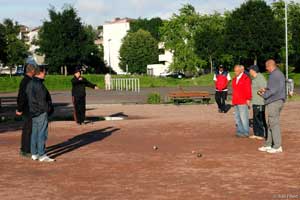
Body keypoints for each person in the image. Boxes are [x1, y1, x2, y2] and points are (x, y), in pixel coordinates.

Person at [26, 66, 55, 162]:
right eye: (45, 72)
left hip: (33, 111)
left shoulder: (30, 83)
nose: (45, 74)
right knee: (42, 133)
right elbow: (42, 101)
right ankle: (42, 154)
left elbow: (29, 98)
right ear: (41, 73)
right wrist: (48, 110)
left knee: (35, 133)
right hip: (41, 111)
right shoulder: (39, 85)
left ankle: (34, 153)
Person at [258, 59, 286, 153]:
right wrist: (265, 89)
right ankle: (268, 144)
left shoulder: (274, 75)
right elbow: (274, 87)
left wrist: (262, 94)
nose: (266, 69)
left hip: (274, 101)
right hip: (278, 100)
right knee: (271, 123)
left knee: (273, 123)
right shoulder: (279, 74)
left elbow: (272, 90)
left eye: (267, 67)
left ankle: (277, 146)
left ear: (270, 66)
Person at [16, 64, 35, 157]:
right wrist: (19, 108)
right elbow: (21, 96)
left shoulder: (30, 80)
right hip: (27, 109)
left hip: (31, 108)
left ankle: (28, 148)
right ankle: (25, 150)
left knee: (30, 129)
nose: (35, 71)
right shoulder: (26, 81)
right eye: (34, 70)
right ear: (31, 71)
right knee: (27, 129)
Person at [232, 65, 252, 138]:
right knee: (237, 118)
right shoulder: (234, 79)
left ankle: (246, 132)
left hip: (243, 101)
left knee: (244, 117)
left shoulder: (246, 78)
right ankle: (239, 131)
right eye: (235, 70)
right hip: (236, 100)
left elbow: (248, 89)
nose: (235, 72)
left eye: (237, 71)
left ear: (241, 70)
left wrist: (248, 99)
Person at [249, 65, 267, 140]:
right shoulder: (254, 78)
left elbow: (264, 88)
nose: (249, 71)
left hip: (260, 102)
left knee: (259, 118)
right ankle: (256, 133)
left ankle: (261, 134)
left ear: (253, 70)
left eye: (250, 70)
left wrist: (260, 92)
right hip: (255, 101)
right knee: (255, 118)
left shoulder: (260, 77)